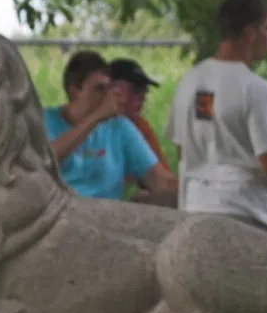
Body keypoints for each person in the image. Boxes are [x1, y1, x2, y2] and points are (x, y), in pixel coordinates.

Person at [166, 0, 267, 237]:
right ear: (250, 34)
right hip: (245, 211)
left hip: (194, 207)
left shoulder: (190, 81)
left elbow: (183, 149)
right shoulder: (254, 88)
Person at [44, 50, 176, 201]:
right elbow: (45, 160)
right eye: (99, 89)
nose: (107, 96)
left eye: (109, 88)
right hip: (59, 213)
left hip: (107, 215)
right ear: (75, 91)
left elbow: (159, 181)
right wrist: (96, 117)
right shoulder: (45, 120)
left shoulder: (120, 127)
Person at [108, 57, 176, 206]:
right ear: (111, 89)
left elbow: (165, 183)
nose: (142, 98)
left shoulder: (139, 126)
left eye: (145, 92)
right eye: (135, 91)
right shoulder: (87, 125)